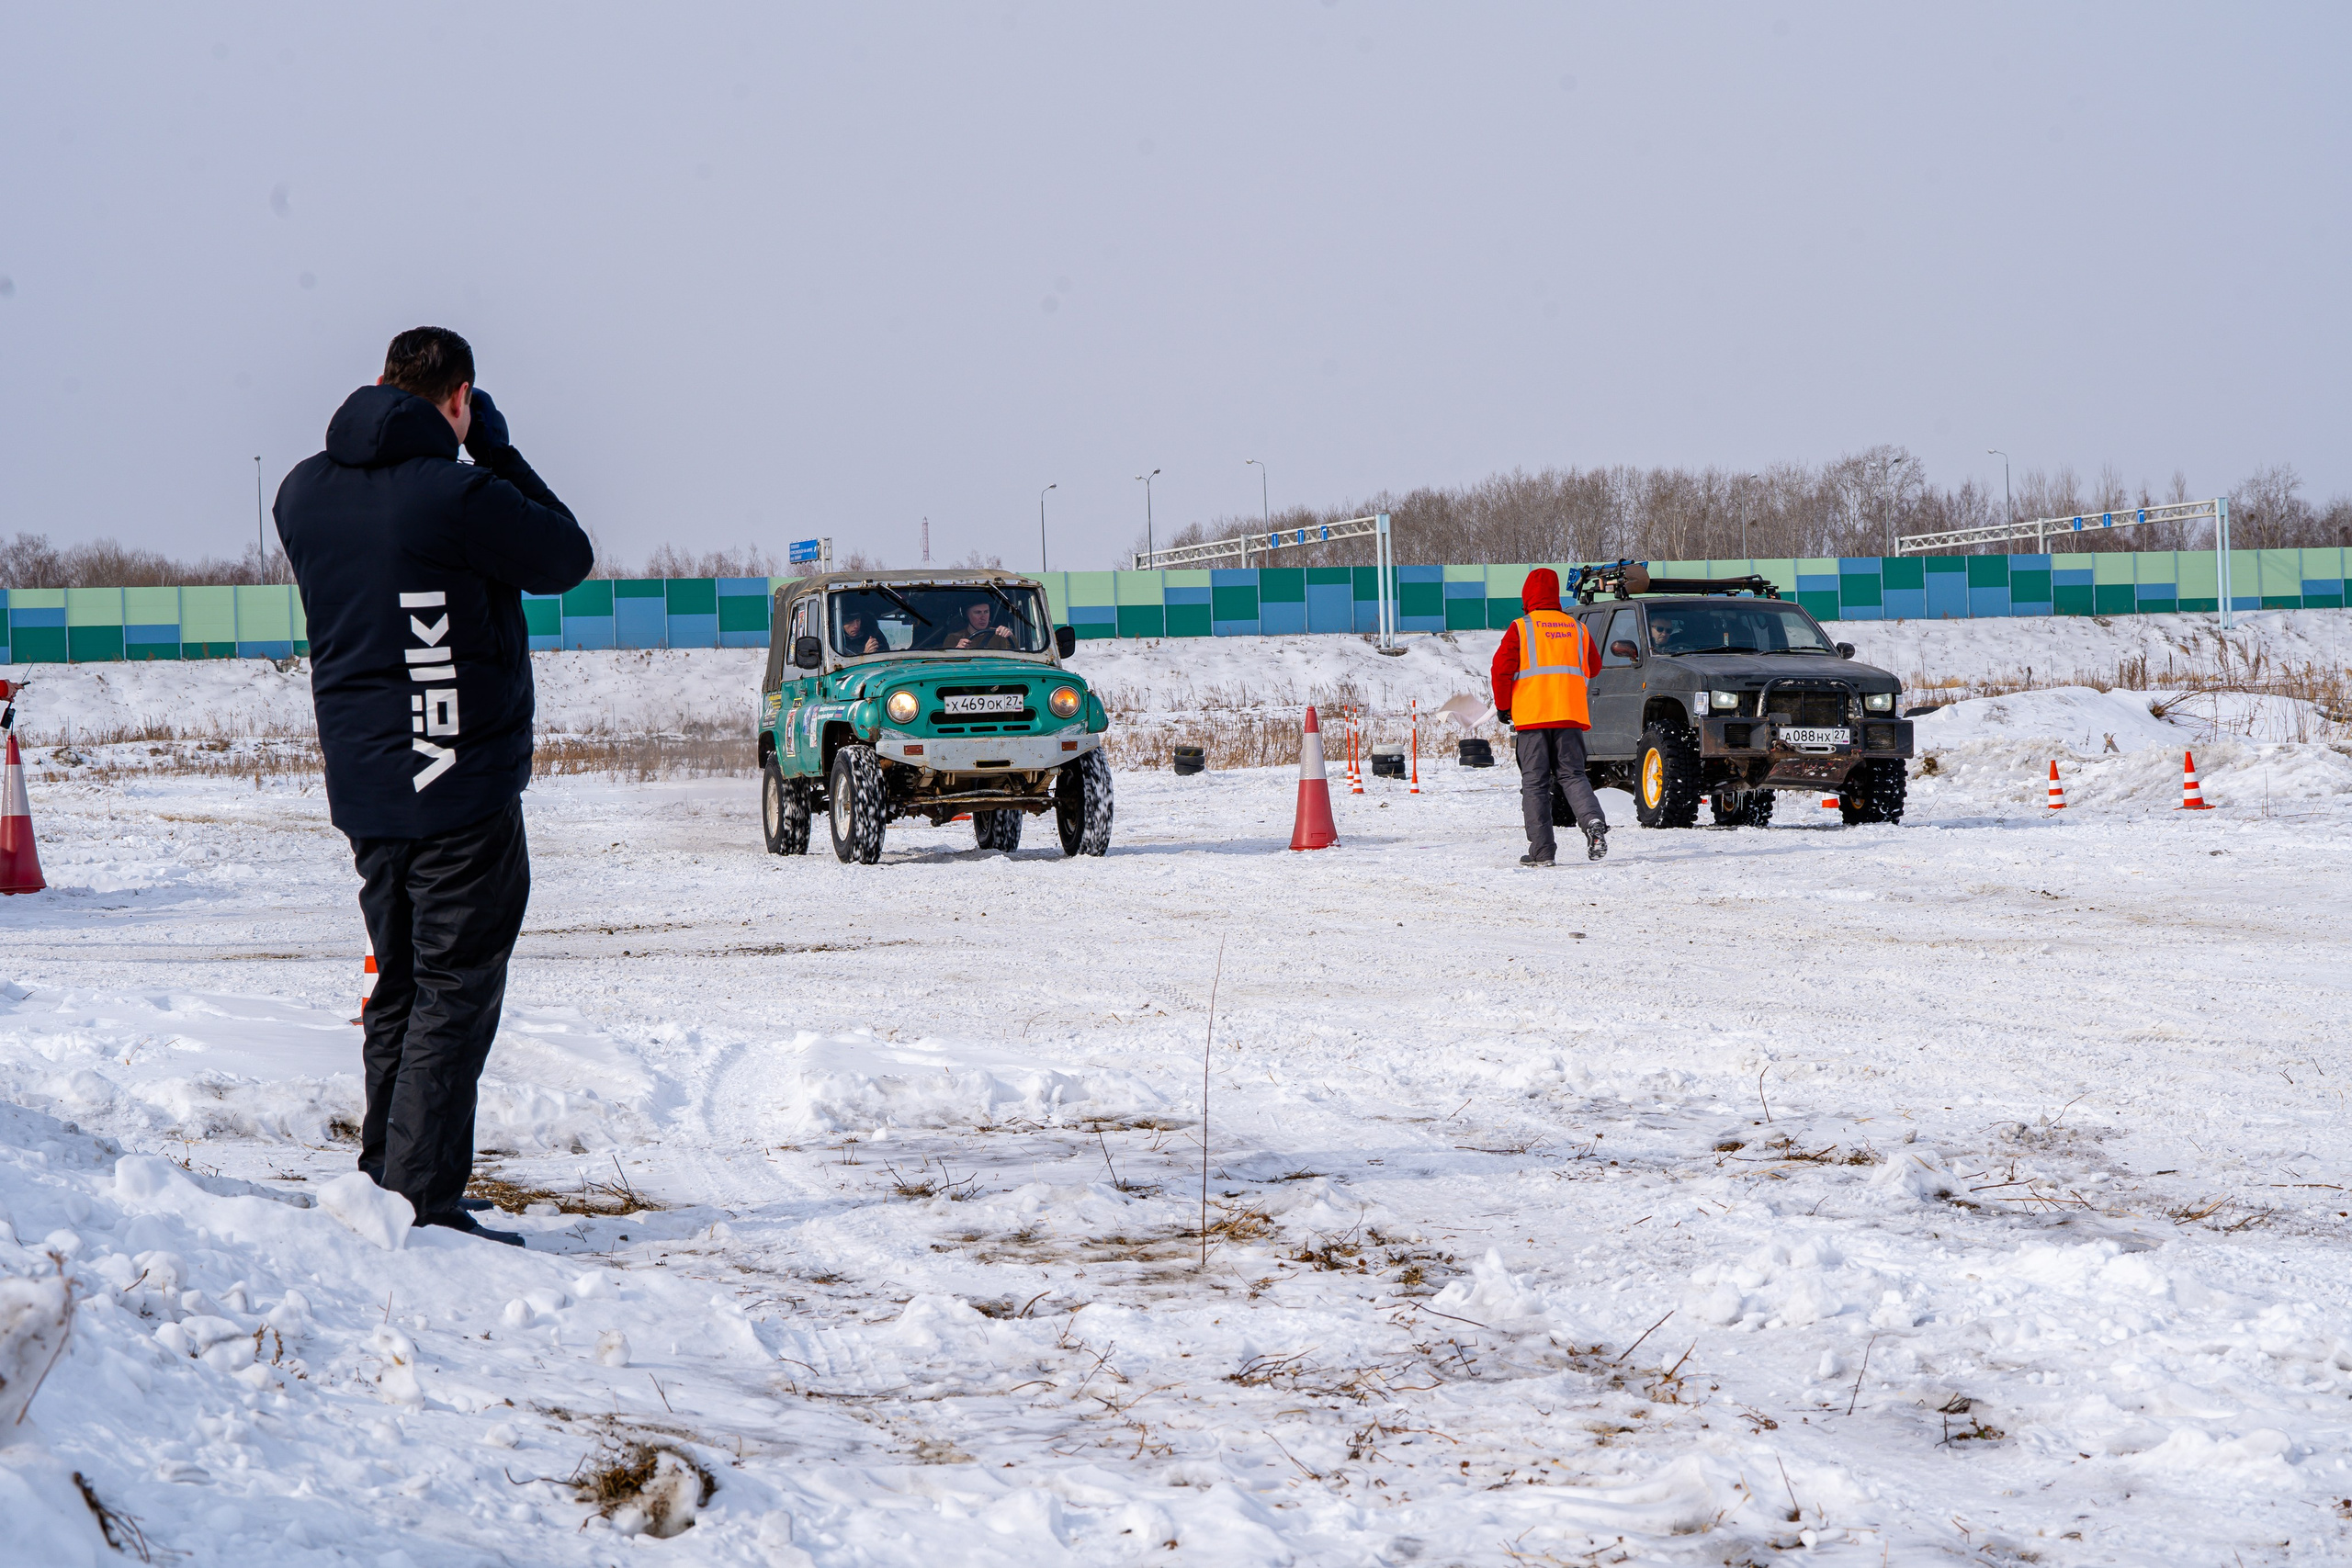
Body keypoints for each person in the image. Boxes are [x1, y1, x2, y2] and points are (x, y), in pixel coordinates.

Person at [276, 327, 593, 1245]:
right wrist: (491, 446)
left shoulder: (301, 493)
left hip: (370, 784)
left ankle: (388, 1177)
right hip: (458, 782)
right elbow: (564, 559)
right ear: (458, 397)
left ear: (378, 384)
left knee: (403, 986)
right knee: (455, 989)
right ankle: (422, 1199)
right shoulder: (458, 492)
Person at [1490, 568, 1608, 865]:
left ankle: (1542, 853)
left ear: (1527, 595)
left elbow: (1501, 670)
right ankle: (1593, 821)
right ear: (1555, 594)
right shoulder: (1577, 628)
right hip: (1569, 715)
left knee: (1535, 784)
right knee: (1572, 775)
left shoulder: (1521, 628)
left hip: (1532, 719)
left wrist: (1504, 707)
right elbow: (1594, 666)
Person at [944, 598, 1011, 650]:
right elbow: (947, 665)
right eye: (978, 612)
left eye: (986, 612)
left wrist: (1010, 636)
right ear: (966, 616)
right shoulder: (953, 639)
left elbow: (1015, 660)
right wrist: (956, 652)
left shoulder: (1000, 636)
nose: (983, 617)